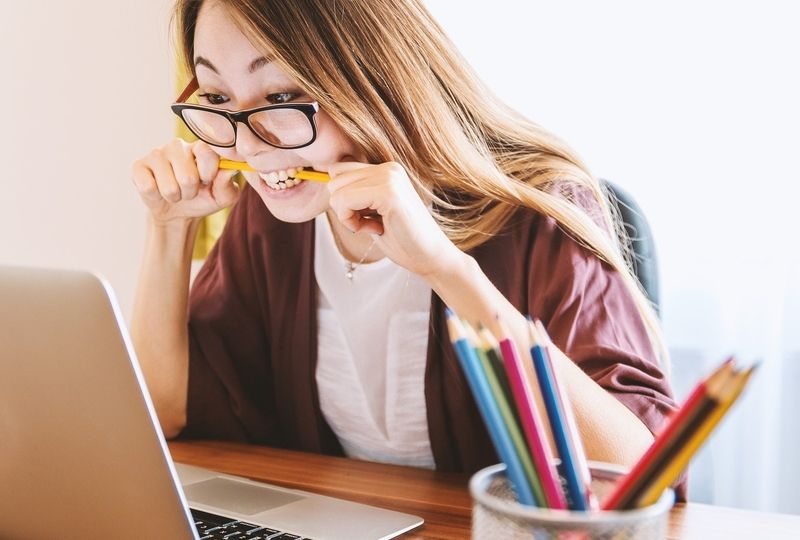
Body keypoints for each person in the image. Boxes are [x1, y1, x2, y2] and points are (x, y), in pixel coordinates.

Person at [131, 0, 684, 497]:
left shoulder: (540, 212)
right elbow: (164, 411)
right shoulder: (273, 216)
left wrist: (444, 270)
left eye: (282, 96)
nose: (248, 145)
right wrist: (170, 228)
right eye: (218, 98)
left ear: (374, 80)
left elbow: (640, 477)